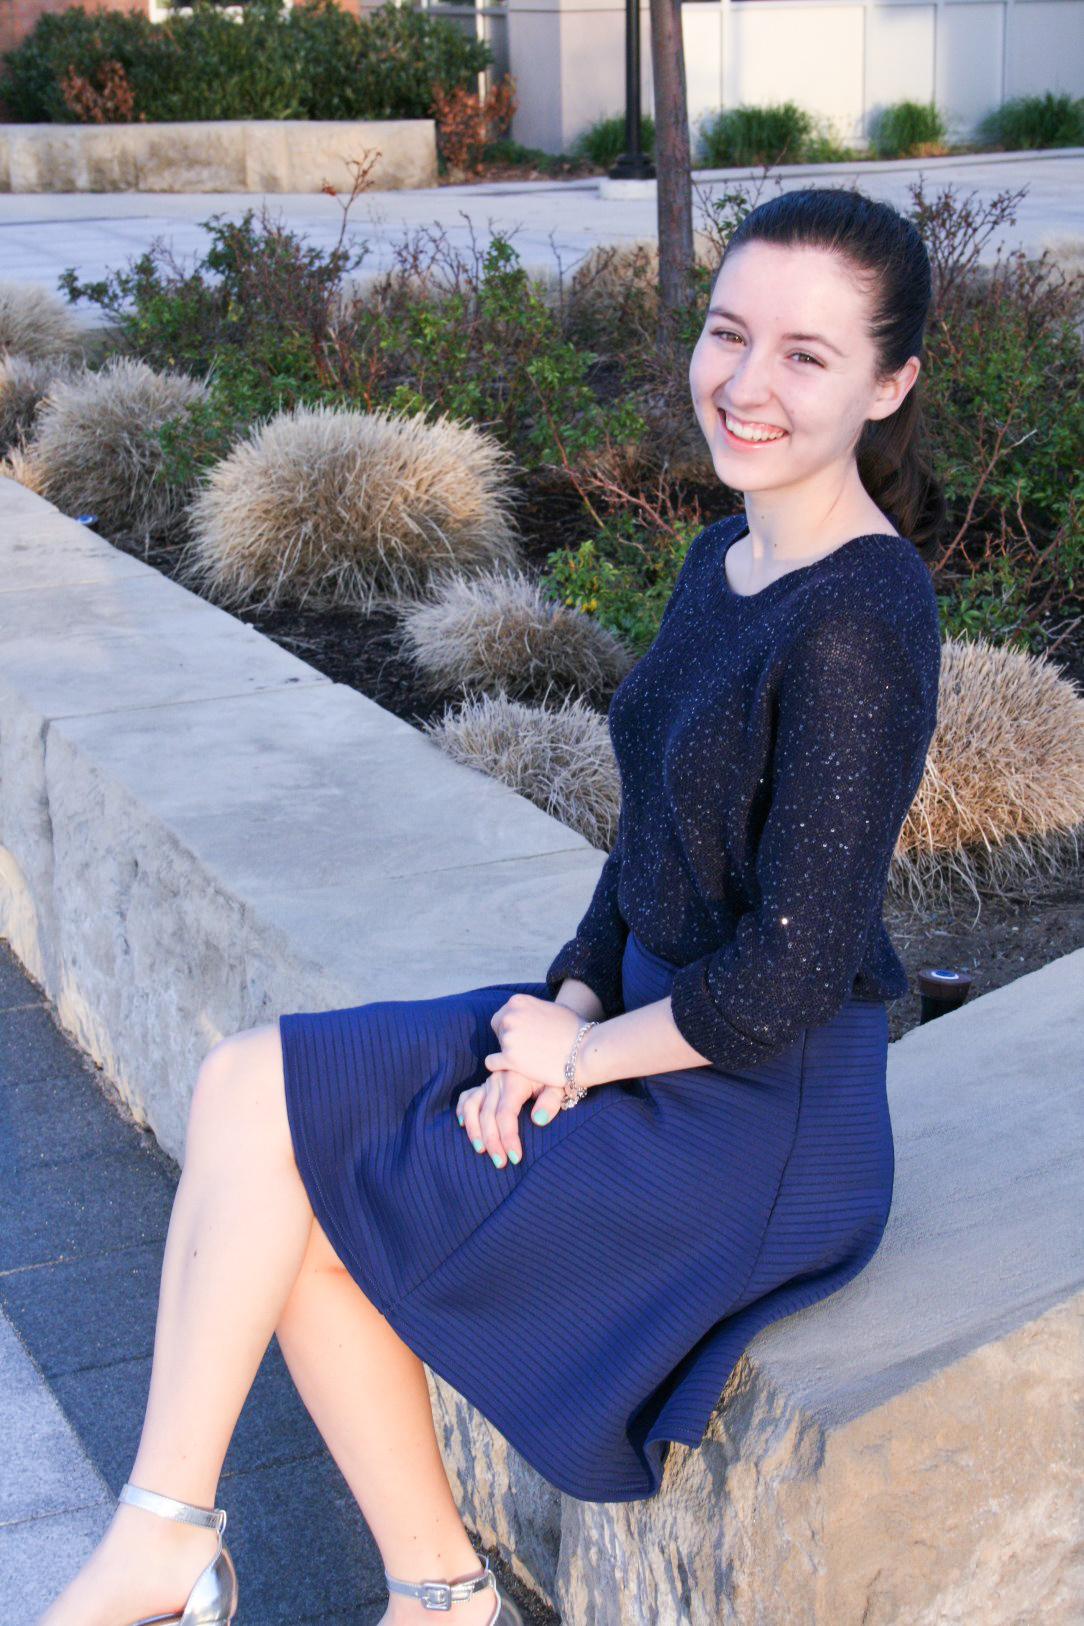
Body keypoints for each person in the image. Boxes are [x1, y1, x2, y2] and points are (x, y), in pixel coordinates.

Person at [38, 185, 943, 1626]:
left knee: (302, 1185)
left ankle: (254, 1559)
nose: (747, 384)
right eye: (728, 334)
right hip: (644, 1019)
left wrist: (577, 1059)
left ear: (890, 383)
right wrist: (572, 995)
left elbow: (791, 969)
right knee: (246, 1093)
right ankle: (387, 1581)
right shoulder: (730, 558)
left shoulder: (861, 620)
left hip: (756, 1117)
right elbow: (653, 821)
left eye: (807, 356)